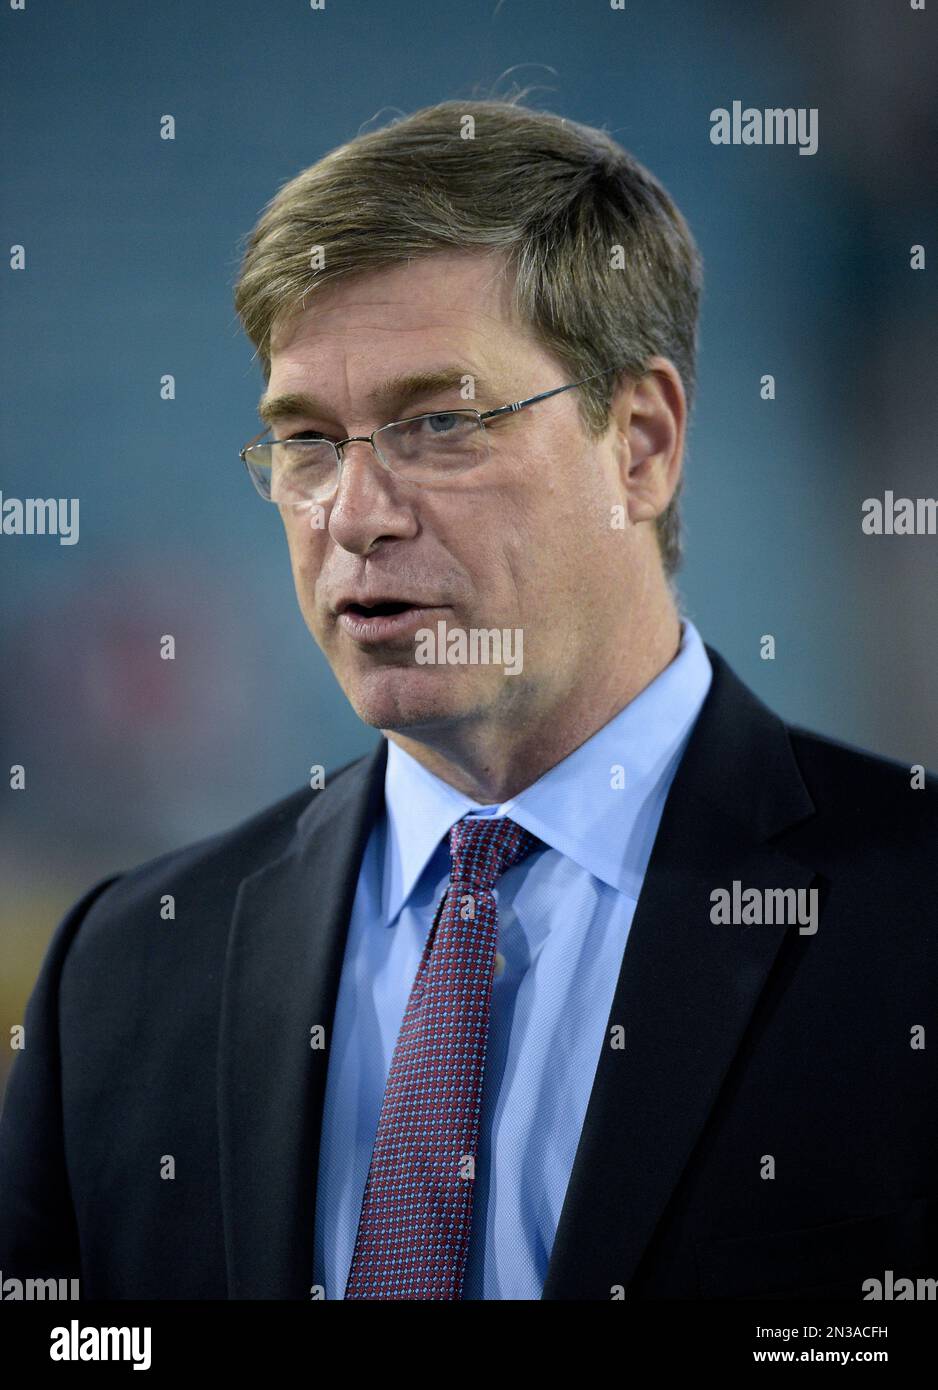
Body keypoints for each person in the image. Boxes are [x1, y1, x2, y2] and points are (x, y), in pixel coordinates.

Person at [1, 99, 936, 1301]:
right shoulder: (122, 974)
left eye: (438, 423)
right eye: (304, 440)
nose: (352, 513)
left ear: (640, 444)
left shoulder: (907, 920)